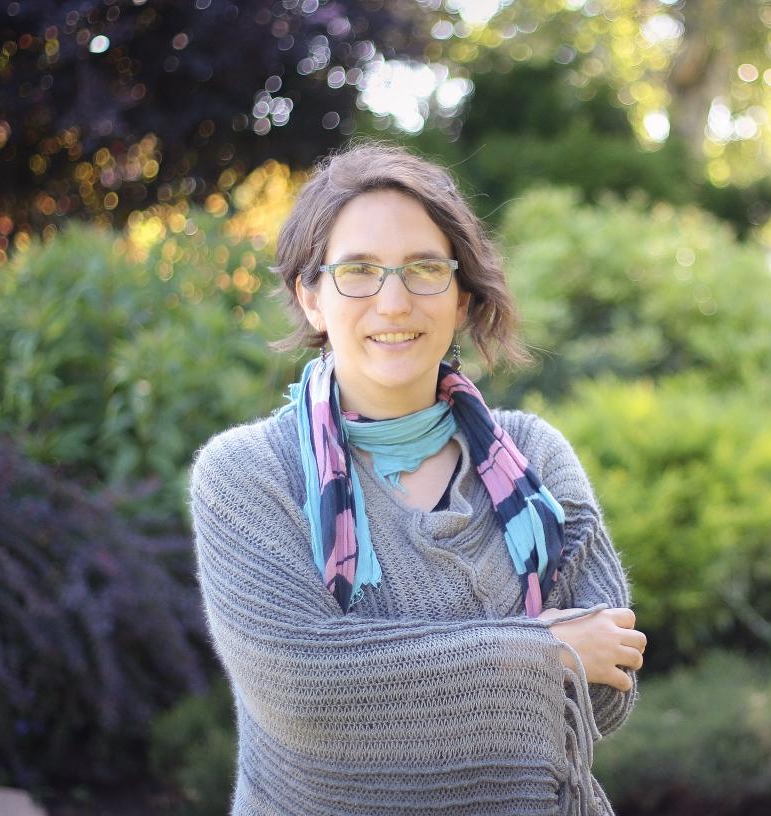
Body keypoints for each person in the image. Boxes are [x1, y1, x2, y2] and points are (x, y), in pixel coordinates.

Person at [187, 141, 646, 816]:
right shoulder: (249, 476)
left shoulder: (533, 459)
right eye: (360, 271)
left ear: (462, 298)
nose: (394, 302)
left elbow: (607, 687)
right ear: (310, 298)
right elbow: (306, 692)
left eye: (425, 269)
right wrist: (543, 651)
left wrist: (395, 685)